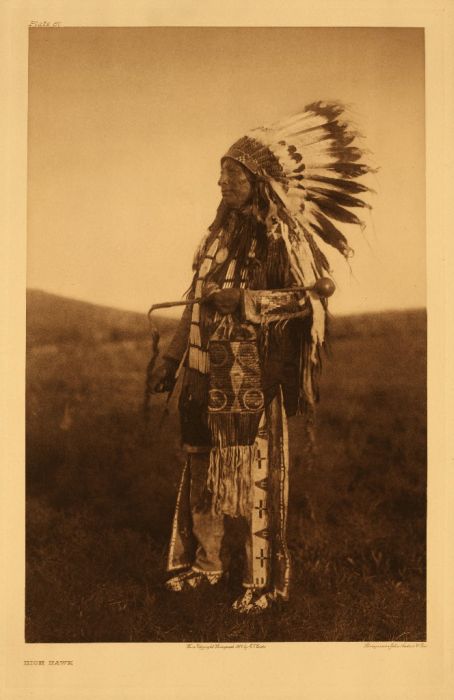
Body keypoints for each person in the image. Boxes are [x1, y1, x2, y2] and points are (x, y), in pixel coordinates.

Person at [151, 101, 372, 613]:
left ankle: (262, 581)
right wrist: (172, 356)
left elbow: (311, 298)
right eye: (221, 174)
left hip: (254, 377)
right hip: (206, 374)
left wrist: (247, 302)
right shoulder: (217, 236)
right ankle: (206, 565)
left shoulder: (281, 237)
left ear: (259, 181)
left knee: (256, 476)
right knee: (202, 471)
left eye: (233, 175)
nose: (223, 184)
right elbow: (193, 298)